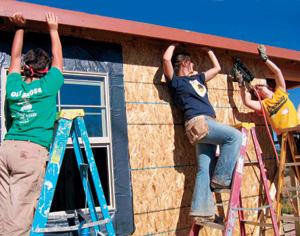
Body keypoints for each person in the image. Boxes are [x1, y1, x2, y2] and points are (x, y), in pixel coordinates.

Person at [163, 43, 242, 223]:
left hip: (208, 123)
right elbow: (167, 59)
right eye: (191, 62)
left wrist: (208, 50)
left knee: (204, 169)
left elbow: (217, 68)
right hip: (198, 122)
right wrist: (174, 43)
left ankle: (202, 211)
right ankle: (221, 179)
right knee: (235, 136)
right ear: (184, 63)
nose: (193, 65)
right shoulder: (176, 81)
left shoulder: (198, 78)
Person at [0, 12, 64, 236]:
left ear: (26, 67)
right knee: (20, 216)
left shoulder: (13, 85)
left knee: (4, 208)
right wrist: (54, 30)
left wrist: (19, 28)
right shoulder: (48, 86)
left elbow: (14, 58)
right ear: (45, 71)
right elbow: (58, 58)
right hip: (30, 151)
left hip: (6, 149)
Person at [239, 45, 300, 140]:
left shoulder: (280, 92)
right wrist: (241, 84)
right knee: (289, 155)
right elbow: (247, 102)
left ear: (267, 87)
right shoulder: (264, 104)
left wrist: (265, 59)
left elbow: (278, 72)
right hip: (284, 136)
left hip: (297, 129)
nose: (257, 90)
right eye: (255, 92)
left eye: (259, 87)